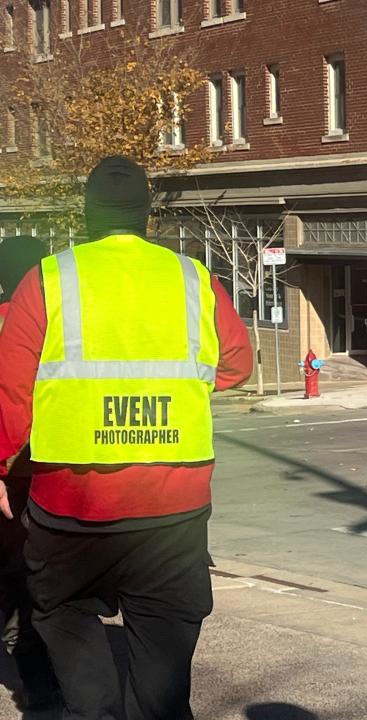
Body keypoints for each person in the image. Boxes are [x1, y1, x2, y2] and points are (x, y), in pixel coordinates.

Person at [0, 156, 253, 720]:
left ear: (87, 216)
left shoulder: (48, 278)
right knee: (163, 676)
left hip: (69, 506)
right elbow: (237, 364)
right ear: (147, 217)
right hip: (173, 505)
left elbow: (11, 393)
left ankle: (95, 709)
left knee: (61, 612)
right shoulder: (192, 278)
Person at [0, 236, 61, 712]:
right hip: (41, 476)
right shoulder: (54, 324)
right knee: (30, 583)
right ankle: (40, 685)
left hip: (9, 474)